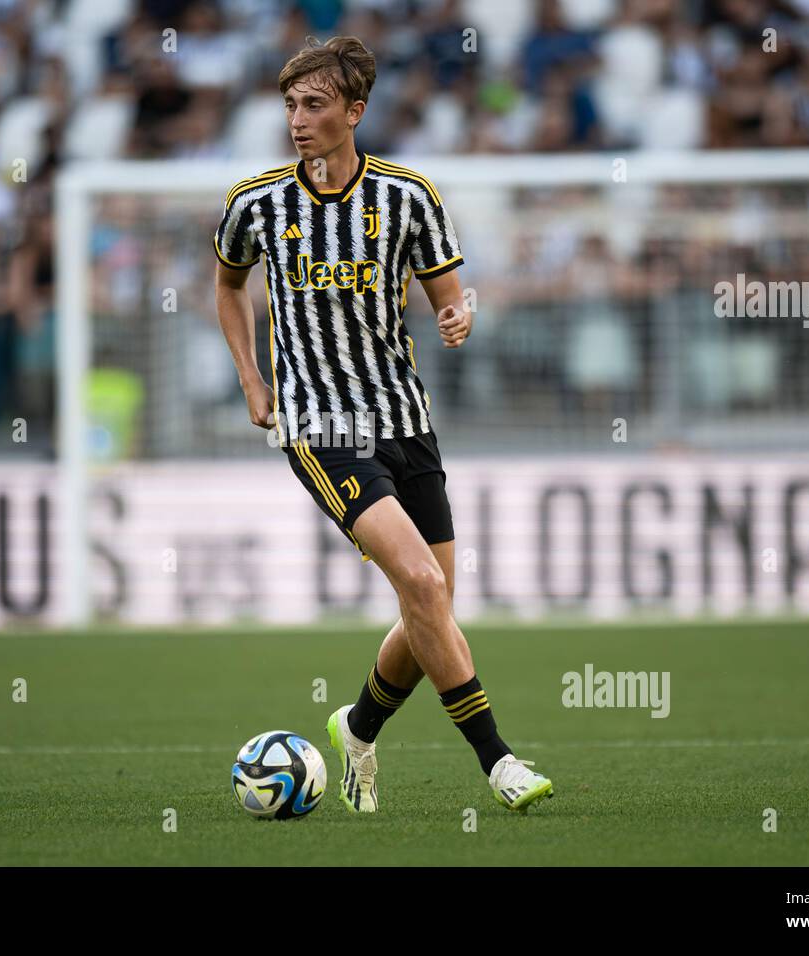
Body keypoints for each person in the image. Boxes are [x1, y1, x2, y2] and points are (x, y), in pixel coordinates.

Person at [213, 35, 553, 814]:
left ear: (355, 112)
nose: (298, 120)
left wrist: (461, 317)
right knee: (424, 584)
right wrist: (251, 376)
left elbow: (449, 298)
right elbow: (229, 290)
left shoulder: (408, 196)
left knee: (431, 602)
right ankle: (498, 761)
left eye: (315, 105)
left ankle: (358, 728)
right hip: (320, 424)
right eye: (290, 105)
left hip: (404, 418)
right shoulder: (256, 203)